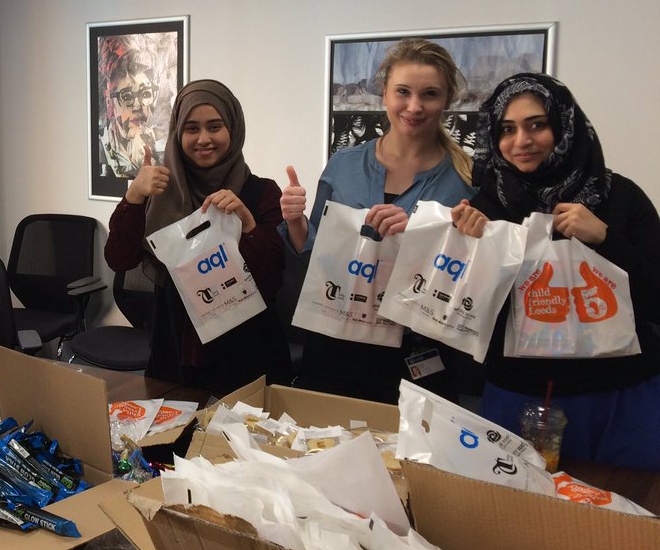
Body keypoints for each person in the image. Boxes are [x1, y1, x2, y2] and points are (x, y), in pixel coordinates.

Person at [451, 74, 660, 470]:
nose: (521, 141)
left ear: (565, 126)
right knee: (515, 507)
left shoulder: (619, 197)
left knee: (629, 505)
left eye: (537, 125)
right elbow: (465, 318)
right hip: (518, 396)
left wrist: (605, 239)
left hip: (622, 398)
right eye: (507, 129)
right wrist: (473, 251)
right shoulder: (485, 209)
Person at [280, 39, 475, 404]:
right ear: (384, 93)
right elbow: (318, 254)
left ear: (447, 99)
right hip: (335, 346)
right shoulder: (344, 165)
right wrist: (295, 222)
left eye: (430, 94)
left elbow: (471, 280)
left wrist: (416, 236)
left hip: (417, 356)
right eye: (403, 92)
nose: (414, 107)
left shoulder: (467, 180)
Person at [104, 79, 290, 396]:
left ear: (233, 128)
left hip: (247, 353)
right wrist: (134, 195)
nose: (203, 139)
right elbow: (119, 259)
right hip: (173, 351)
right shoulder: (160, 190)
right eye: (192, 128)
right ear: (178, 133)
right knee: (175, 428)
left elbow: (272, 281)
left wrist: (247, 224)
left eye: (214, 126)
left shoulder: (262, 193)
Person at [98, 35, 165, 178]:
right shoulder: (101, 153)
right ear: (110, 104)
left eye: (145, 94)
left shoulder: (163, 151)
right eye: (127, 96)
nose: (138, 105)